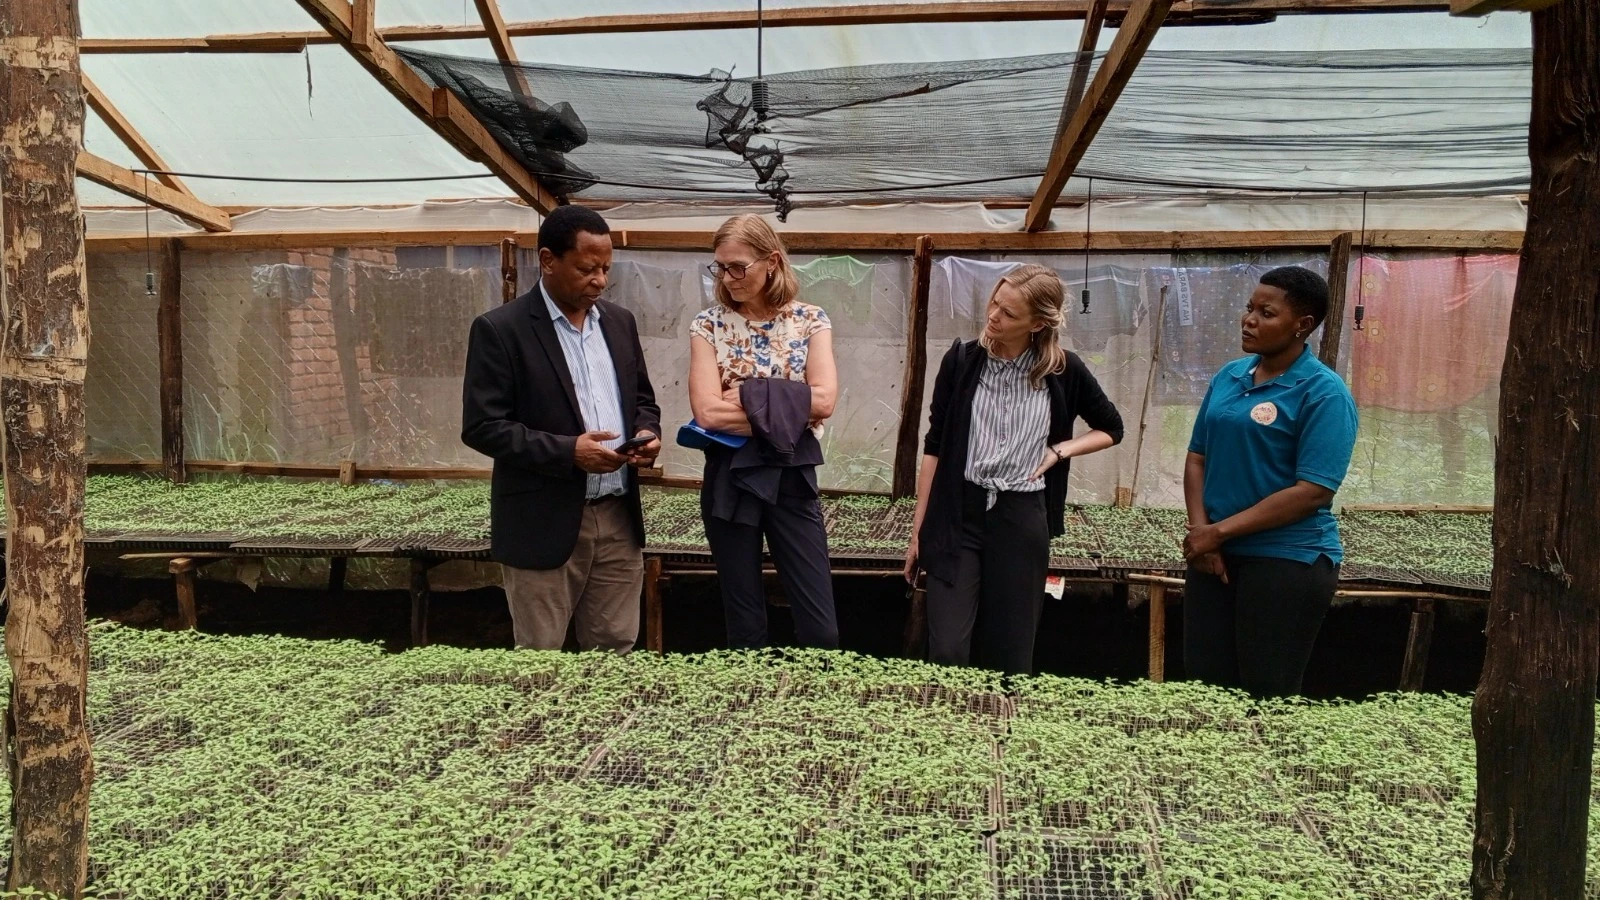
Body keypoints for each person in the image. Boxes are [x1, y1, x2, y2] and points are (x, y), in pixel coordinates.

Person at [904, 265, 1123, 676]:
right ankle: (948, 726)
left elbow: (1112, 428)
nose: (993, 316)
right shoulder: (962, 361)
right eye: (994, 302)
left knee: (1011, 652)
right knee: (948, 647)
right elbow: (934, 448)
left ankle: (1000, 729)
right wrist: (920, 530)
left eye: (1008, 313)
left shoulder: (1063, 371)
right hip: (959, 515)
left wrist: (1060, 450)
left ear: (1038, 323)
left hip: (1020, 517)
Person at [461, 205, 661, 652]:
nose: (600, 280)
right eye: (587, 268)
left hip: (617, 516)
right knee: (540, 656)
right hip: (542, 521)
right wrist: (568, 452)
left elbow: (643, 400)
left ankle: (607, 725)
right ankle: (536, 725)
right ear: (549, 260)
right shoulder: (501, 330)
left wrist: (647, 434)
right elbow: (481, 426)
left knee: (614, 649)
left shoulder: (619, 322)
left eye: (607, 268)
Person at [1181, 265, 1358, 697]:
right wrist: (1203, 535)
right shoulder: (1230, 377)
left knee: (1268, 692)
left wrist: (1214, 533)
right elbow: (1196, 458)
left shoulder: (1323, 392)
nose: (1249, 320)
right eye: (1249, 308)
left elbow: (1312, 492)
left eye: (1266, 312)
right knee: (1204, 689)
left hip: (1286, 561)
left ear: (1303, 326)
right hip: (1214, 556)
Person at [688, 214, 840, 649]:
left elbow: (825, 400)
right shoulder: (708, 325)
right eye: (720, 266)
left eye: (739, 266)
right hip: (730, 476)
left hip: (792, 473)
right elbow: (708, 415)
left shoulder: (810, 320)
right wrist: (791, 403)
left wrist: (747, 395)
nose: (728, 277)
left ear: (771, 261)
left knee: (821, 628)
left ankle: (812, 705)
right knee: (745, 623)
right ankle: (749, 707)